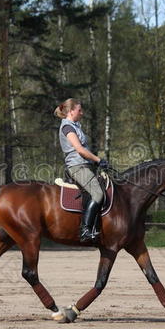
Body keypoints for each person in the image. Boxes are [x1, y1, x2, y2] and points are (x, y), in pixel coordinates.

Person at [54, 98, 109, 243]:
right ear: (71, 111)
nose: (82, 113)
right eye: (79, 110)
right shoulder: (67, 127)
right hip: (77, 167)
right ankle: (85, 229)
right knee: (98, 193)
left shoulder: (75, 126)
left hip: (85, 165)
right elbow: (79, 149)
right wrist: (98, 160)